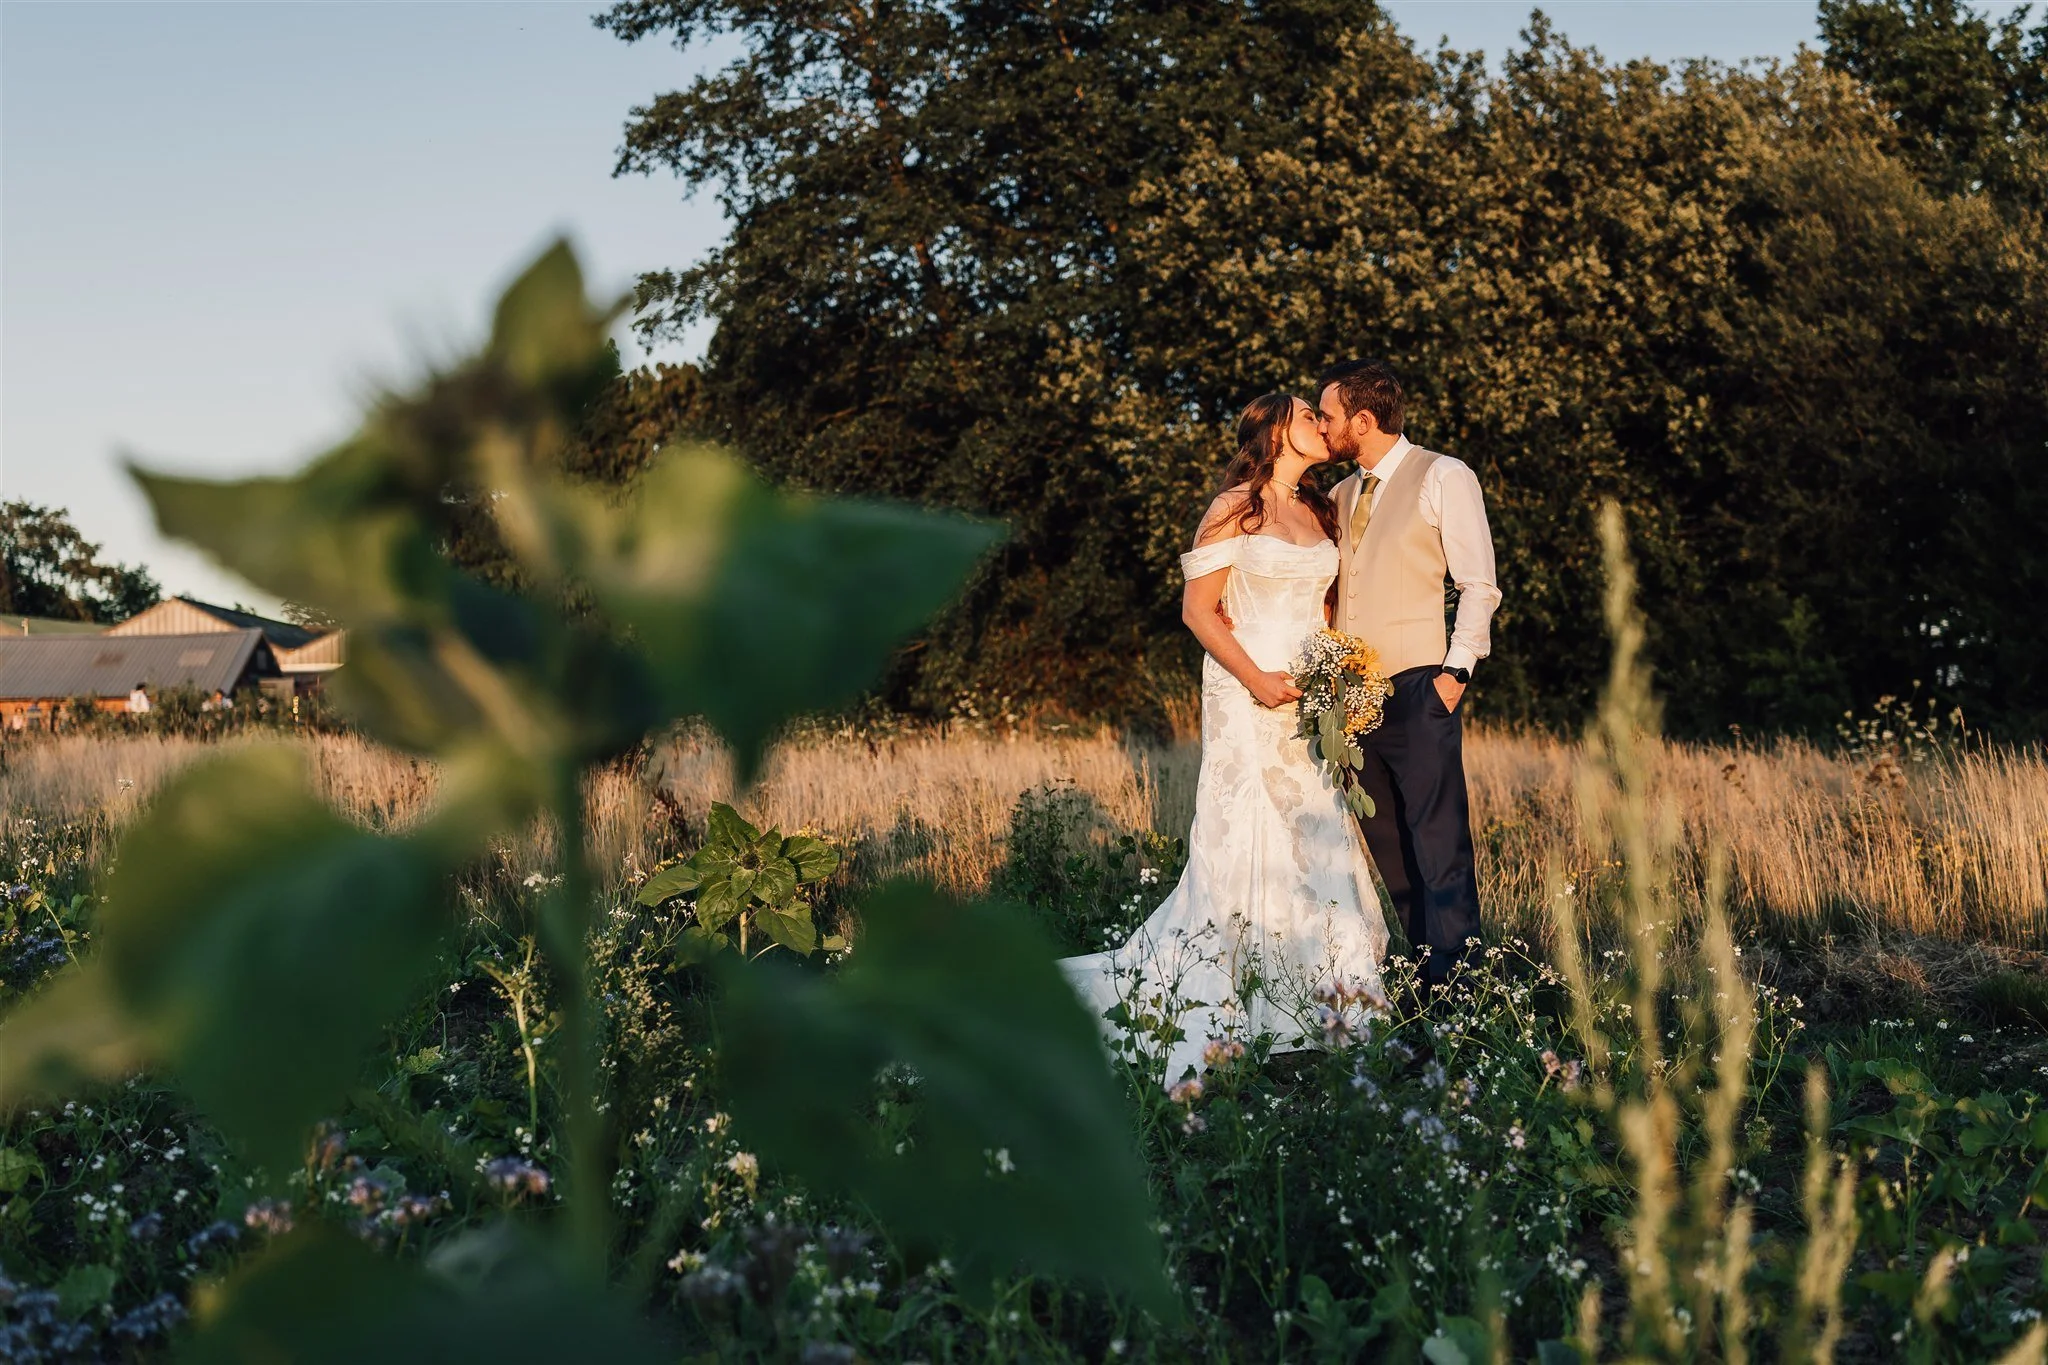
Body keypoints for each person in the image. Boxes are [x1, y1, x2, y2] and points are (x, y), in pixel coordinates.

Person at [1059, 394, 1388, 1082]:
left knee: (1315, 827)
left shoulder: (1320, 508)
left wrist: (1338, 679)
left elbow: (1325, 607)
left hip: (1310, 697)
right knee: (1249, 829)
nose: (1318, 424)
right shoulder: (1234, 506)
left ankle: (1324, 998)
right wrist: (1257, 678)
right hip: (1247, 688)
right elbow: (1198, 609)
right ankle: (1239, 992)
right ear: (1274, 430)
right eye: (1305, 413)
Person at [1317, 360, 1501, 998]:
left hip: (1423, 684)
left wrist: (1455, 673)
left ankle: (1466, 1000)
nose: (1322, 425)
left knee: (1439, 846)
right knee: (1389, 848)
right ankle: (1428, 988)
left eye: (1330, 415)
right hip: (1354, 703)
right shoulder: (1339, 497)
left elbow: (1479, 584)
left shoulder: (1444, 475)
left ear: (1363, 421)